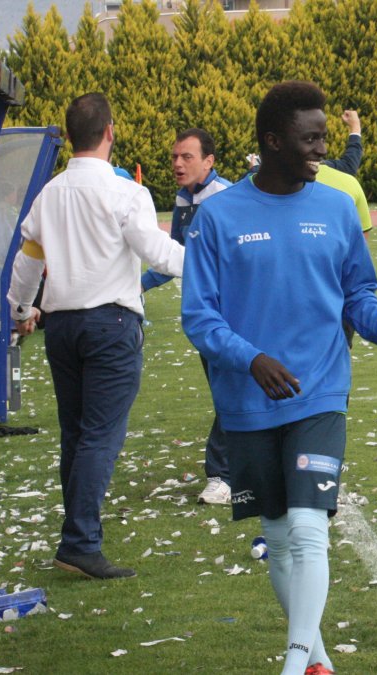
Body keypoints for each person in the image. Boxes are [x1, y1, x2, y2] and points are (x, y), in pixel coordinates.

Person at [181, 81, 377, 675]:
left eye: (325, 138)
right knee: (279, 538)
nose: (322, 150)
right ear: (273, 141)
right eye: (310, 140)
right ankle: (318, 661)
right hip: (247, 401)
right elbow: (199, 316)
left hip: (320, 392)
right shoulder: (217, 216)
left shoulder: (336, 206)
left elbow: (358, 291)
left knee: (309, 530)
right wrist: (250, 358)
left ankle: (292, 665)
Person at [7, 92, 185, 580]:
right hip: (111, 323)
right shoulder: (127, 192)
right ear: (110, 132)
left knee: (77, 433)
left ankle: (78, 536)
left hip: (61, 325)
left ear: (69, 136)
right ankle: (80, 542)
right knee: (100, 436)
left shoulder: (48, 194)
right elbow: (158, 251)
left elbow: (27, 263)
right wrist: (216, 269)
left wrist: (21, 309)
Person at [141, 128, 235, 506]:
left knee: (230, 392)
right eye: (174, 157)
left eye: (187, 157)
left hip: (231, 315)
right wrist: (137, 285)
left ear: (209, 162)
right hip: (205, 316)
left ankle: (222, 475)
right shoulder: (184, 198)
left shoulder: (226, 198)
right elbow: (177, 257)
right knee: (228, 392)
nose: (178, 164)